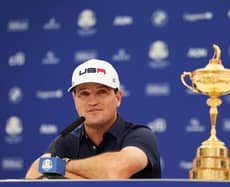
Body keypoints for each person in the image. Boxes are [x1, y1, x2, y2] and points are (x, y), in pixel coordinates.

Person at [25, 59, 161, 179]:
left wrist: (61, 166)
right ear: (75, 100)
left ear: (118, 97)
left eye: (101, 92)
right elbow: (34, 174)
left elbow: (114, 171)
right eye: (84, 94)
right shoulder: (65, 141)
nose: (92, 101)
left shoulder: (140, 136)